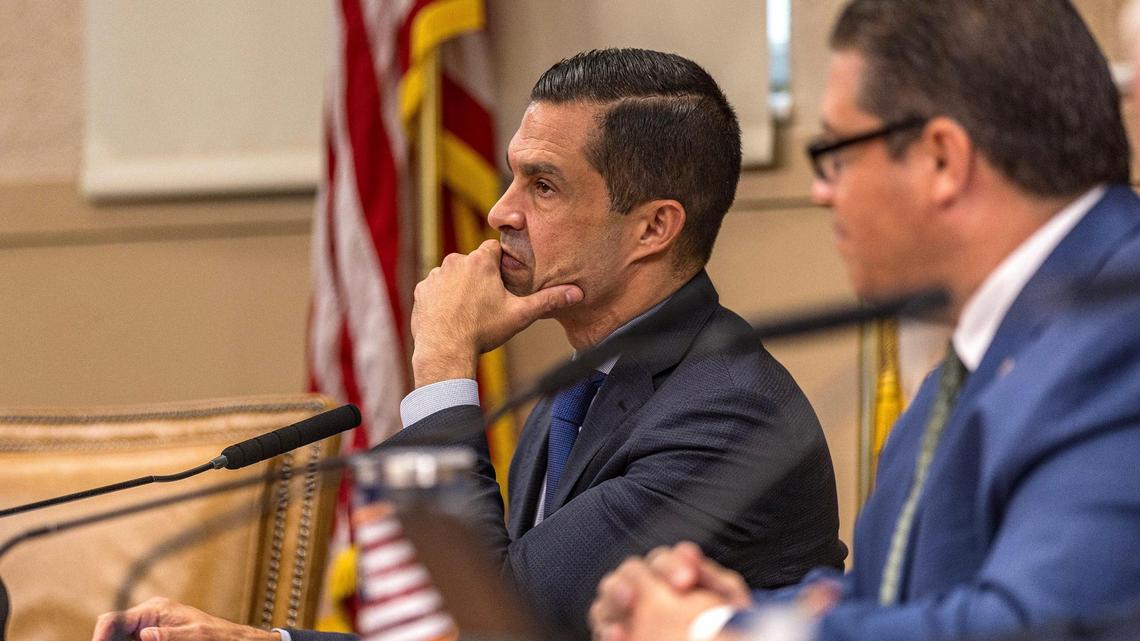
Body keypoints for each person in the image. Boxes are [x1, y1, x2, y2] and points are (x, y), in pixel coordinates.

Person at [92, 48, 847, 641]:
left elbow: (494, 620)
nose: (498, 211)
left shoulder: (726, 416)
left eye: (543, 186)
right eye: (512, 177)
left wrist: (445, 365)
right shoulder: (582, 385)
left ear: (654, 227)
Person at [589, 2, 1140, 641]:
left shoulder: (1119, 328)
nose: (824, 191)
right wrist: (757, 613)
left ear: (941, 159)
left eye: (836, 152)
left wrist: (714, 633)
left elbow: (1036, 626)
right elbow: (902, 586)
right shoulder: (979, 357)